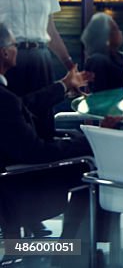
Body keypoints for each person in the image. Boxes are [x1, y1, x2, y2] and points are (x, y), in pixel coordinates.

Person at [0, 21, 97, 239]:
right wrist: (88, 143)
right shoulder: (4, 100)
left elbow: (22, 105)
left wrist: (63, 85)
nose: (18, 49)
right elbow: (37, 152)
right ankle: (70, 253)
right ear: (5, 53)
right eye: (15, 45)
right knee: (90, 167)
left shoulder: (5, 97)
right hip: (12, 185)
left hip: (7, 175)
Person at [0, 0, 78, 139]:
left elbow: (50, 31)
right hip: (6, 61)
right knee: (10, 127)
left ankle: (45, 170)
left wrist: (69, 64)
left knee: (43, 123)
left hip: (40, 59)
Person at [81, 12, 123, 92]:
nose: (120, 32)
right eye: (115, 29)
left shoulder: (121, 57)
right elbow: (99, 93)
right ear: (105, 35)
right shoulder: (98, 61)